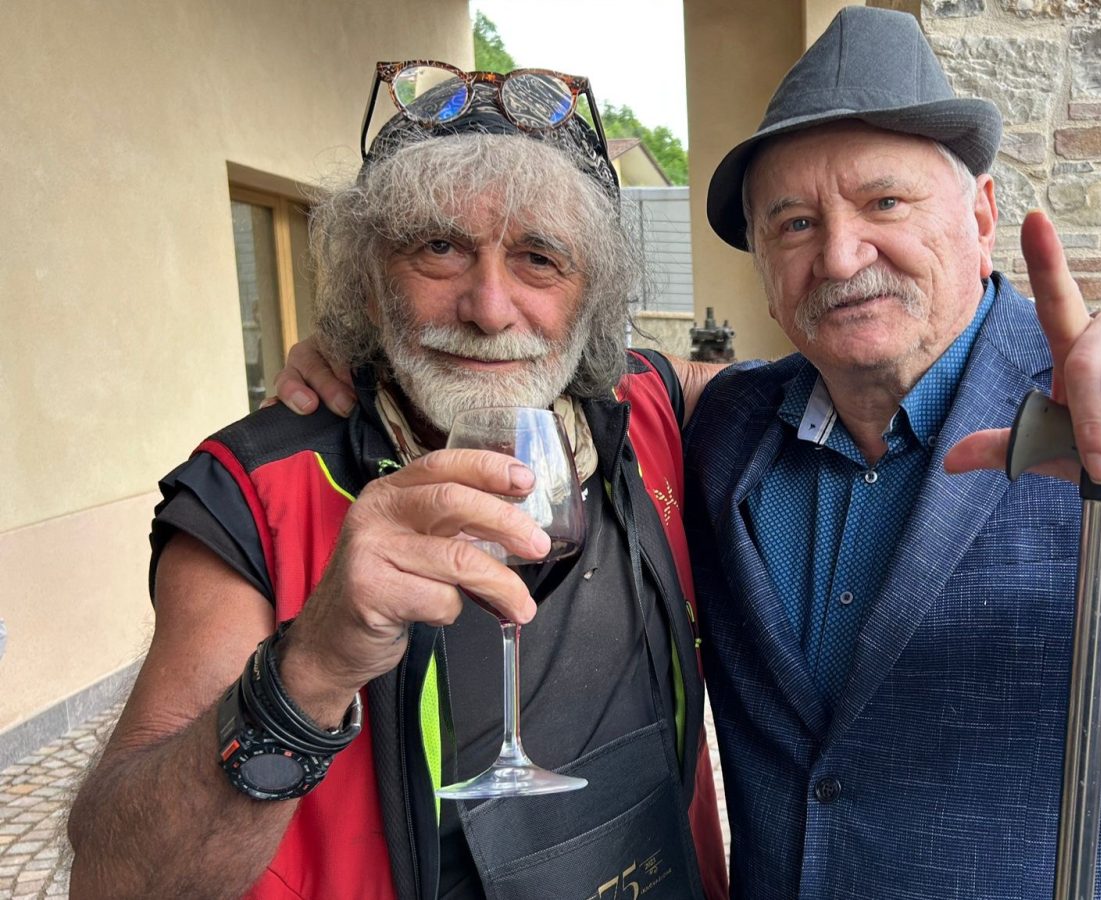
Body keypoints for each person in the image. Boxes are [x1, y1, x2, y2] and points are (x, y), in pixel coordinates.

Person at [279, 9, 1101, 897]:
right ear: (764, 267)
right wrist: (365, 351)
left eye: (884, 203)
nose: (839, 253)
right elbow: (546, 355)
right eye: (793, 222)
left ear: (981, 215)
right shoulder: (725, 429)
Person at [67, 69, 728, 900]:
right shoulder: (257, 495)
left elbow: (805, 386)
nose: (489, 308)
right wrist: (312, 667)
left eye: (539, 258)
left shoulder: (644, 408)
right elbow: (117, 880)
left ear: (590, 296)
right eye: (439, 248)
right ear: (369, 282)